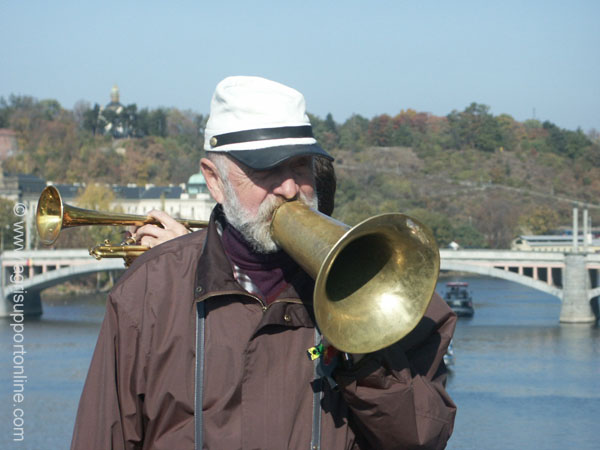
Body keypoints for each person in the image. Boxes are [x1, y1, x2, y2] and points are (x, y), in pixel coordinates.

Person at [71, 76, 457, 450]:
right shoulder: (146, 294)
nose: (290, 189)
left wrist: (363, 343)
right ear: (214, 180)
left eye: (301, 166)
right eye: (266, 169)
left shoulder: (397, 293)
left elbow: (421, 437)